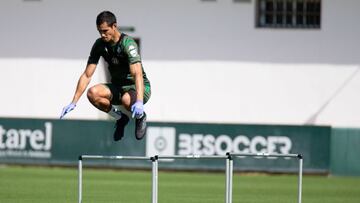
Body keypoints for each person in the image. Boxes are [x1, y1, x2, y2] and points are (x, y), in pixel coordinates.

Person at [60, 11, 151, 141]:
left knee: (126, 100)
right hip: (118, 88)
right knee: (93, 93)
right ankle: (120, 118)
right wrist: (73, 102)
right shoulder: (100, 45)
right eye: (99, 31)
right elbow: (87, 75)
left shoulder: (128, 44)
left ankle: (141, 116)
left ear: (114, 26)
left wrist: (140, 102)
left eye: (105, 31)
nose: (102, 35)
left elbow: (137, 75)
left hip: (139, 88)